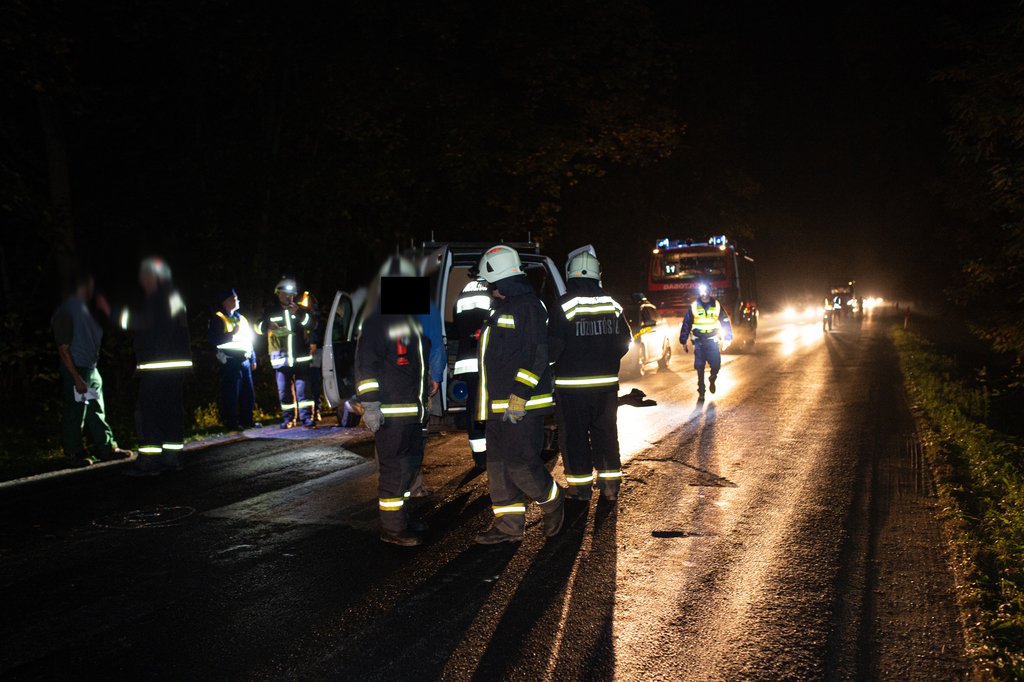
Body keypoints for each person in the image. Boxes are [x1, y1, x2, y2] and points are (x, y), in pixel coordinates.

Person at [473, 245, 565, 544]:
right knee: (498, 468)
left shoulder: (527, 307)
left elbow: (538, 355)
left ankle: (552, 500)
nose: (486, 286)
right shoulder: (503, 307)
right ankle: (509, 526)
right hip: (496, 407)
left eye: (489, 281)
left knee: (522, 465)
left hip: (519, 407)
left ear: (499, 279)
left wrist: (519, 396)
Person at [354, 256, 433, 546]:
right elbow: (365, 367)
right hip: (391, 415)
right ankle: (393, 529)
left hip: (412, 414)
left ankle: (402, 518)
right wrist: (371, 406)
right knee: (393, 470)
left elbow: (419, 370)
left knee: (409, 467)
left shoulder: (411, 323)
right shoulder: (378, 323)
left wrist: (425, 404)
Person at [549, 251, 631, 501]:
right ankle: (610, 487)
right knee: (606, 435)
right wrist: (607, 361)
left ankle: (580, 490)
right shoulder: (613, 304)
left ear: (570, 275)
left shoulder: (563, 305)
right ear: (598, 275)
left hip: (571, 389)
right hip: (606, 388)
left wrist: (555, 366)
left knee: (574, 438)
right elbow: (626, 341)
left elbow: (551, 348)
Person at [51, 270, 133, 467]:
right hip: (77, 368)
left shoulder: (87, 313)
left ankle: (107, 449)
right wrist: (77, 378)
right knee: (76, 411)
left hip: (90, 367)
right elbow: (63, 349)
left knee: (95, 409)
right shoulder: (67, 312)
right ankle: (73, 454)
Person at [120, 257, 192, 476]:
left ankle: (149, 462)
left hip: (155, 367)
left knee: (148, 414)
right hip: (176, 368)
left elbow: (127, 322)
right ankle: (172, 458)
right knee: (172, 413)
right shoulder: (176, 297)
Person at [255, 278, 318, 428]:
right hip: (281, 358)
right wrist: (266, 326)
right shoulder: (270, 311)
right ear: (277, 294)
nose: (288, 296)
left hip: (300, 357)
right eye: (285, 293)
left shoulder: (301, 309)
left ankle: (307, 417)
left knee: (304, 390)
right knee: (284, 391)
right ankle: (288, 419)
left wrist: (301, 313)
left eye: (291, 294)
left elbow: (313, 324)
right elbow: (257, 326)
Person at [451, 273, 492, 469]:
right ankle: (492, 454)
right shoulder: (492, 291)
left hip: (467, 361)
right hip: (486, 360)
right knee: (490, 406)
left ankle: (479, 456)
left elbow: (457, 324)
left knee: (473, 407)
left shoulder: (463, 292)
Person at [209, 287, 259, 431]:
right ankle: (231, 422)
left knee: (248, 392)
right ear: (227, 301)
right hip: (230, 361)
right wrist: (232, 333)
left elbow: (249, 340)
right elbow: (214, 340)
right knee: (231, 393)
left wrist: (253, 358)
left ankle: (247, 420)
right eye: (235, 298)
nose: (238, 300)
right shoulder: (218, 319)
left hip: (244, 360)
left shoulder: (241, 318)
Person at [680, 283, 733, 399]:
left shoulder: (717, 305)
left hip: (712, 341)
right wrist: (683, 341)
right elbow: (686, 323)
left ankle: (712, 378)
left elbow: (724, 321)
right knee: (700, 366)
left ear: (710, 292)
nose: (704, 294)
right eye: (701, 291)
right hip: (699, 341)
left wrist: (728, 338)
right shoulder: (694, 306)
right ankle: (701, 391)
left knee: (716, 365)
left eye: (706, 291)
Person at [301, 290, 323, 425]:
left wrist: (313, 344)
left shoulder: (312, 311)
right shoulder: (309, 310)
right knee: (311, 381)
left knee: (313, 380)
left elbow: (315, 328)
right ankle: (314, 411)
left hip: (312, 350)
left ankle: (316, 411)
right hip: (307, 349)